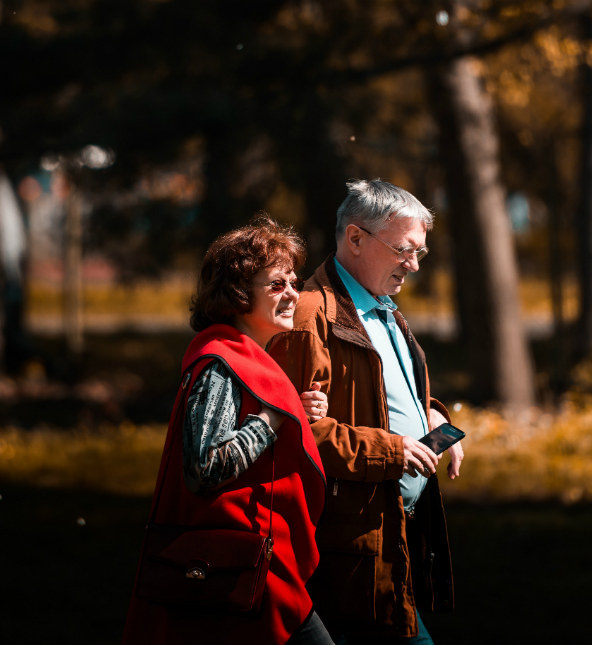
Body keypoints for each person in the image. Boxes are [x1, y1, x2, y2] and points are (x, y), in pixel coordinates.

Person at [267, 180, 463, 644]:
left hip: (391, 535)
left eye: (420, 252)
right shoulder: (310, 313)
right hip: (347, 547)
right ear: (355, 239)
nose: (413, 265)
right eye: (403, 250)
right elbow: (294, 431)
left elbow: (388, 392)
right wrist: (394, 450)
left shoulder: (383, 307)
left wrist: (432, 417)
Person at [122, 216, 332, 645]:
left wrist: (292, 412)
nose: (293, 293)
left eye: (294, 281)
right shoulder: (221, 364)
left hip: (250, 567)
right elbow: (204, 467)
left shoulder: (246, 360)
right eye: (277, 284)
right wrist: (275, 417)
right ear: (238, 294)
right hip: (237, 571)